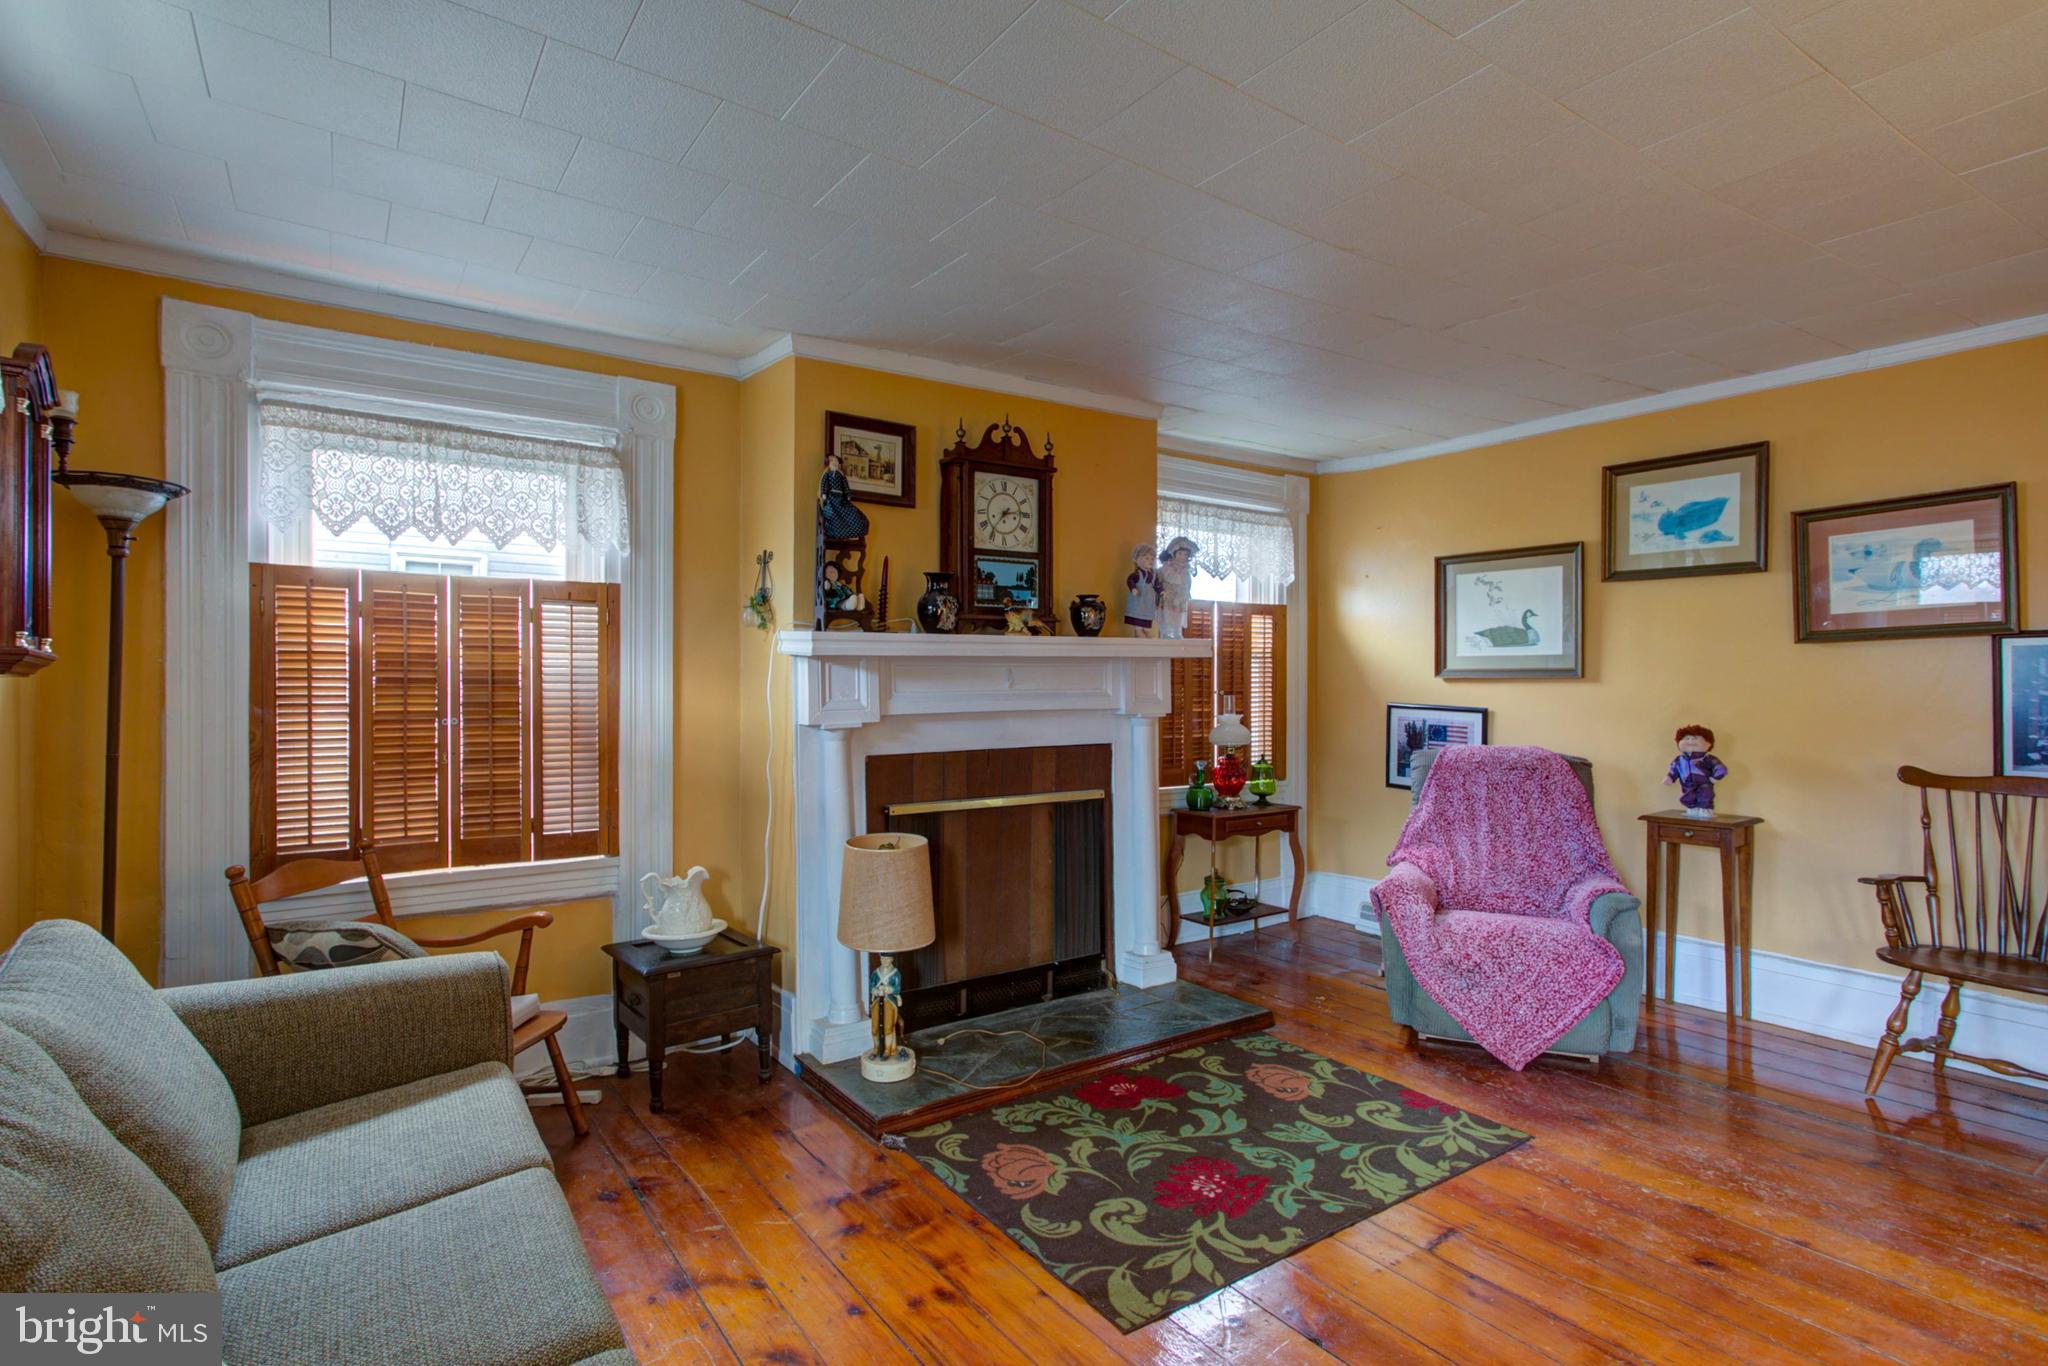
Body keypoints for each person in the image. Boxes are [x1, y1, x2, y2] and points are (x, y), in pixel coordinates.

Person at [1665, 724, 1728, 817]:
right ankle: (1691, 809)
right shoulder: (1679, 759)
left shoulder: (1707, 758)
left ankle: (1705, 810)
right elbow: (1674, 769)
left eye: (1695, 738)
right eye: (1687, 738)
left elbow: (1721, 769)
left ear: (1709, 743)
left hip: (1704, 784)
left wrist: (1714, 778)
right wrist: (1670, 777)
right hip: (1686, 785)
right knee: (1688, 797)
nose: (1690, 741)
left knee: (1705, 796)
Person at [817, 448, 869, 541]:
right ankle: (836, 533)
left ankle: (850, 533)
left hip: (841, 499)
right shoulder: (827, 474)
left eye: (835, 460)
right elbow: (824, 483)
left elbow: (845, 486)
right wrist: (824, 493)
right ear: (828, 463)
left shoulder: (841, 475)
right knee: (832, 515)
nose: (834, 462)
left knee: (854, 515)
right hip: (832, 499)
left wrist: (848, 494)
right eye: (832, 460)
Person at [1156, 535, 1198, 639]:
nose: (1182, 556)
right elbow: (1159, 577)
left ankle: (1177, 632)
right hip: (1168, 595)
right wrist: (1159, 589)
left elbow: (1188, 582)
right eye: (1180, 553)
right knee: (1166, 614)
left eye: (1185, 554)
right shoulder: (1167, 567)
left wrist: (1188, 591)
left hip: (1180, 596)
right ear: (1173, 554)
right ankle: (1165, 633)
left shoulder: (1186, 570)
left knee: (1178, 615)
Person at [1123, 542, 1159, 636]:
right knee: (1138, 627)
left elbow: (1157, 585)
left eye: (1152, 558)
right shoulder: (1137, 574)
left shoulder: (1154, 574)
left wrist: (1161, 591)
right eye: (1147, 558)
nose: (1150, 560)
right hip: (1138, 605)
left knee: (1146, 627)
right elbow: (1130, 580)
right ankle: (1141, 638)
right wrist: (1133, 588)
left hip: (1148, 606)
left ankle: (1146, 637)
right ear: (1138, 559)